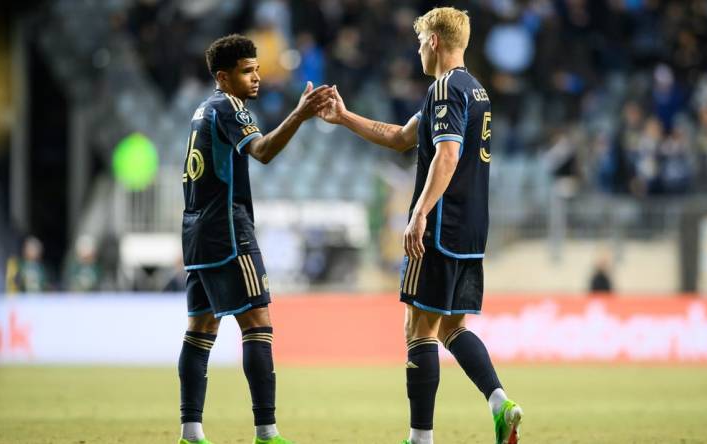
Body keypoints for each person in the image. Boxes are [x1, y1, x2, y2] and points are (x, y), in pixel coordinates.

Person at [319, 8, 522, 444]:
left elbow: (447, 154)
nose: (416, 50)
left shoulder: (445, 87)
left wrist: (419, 212)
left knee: (418, 329)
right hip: (470, 230)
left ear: (433, 41)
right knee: (451, 328)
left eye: (419, 41)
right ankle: (499, 402)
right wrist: (345, 116)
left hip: (441, 226)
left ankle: (420, 438)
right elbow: (401, 137)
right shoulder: (474, 90)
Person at [177, 34, 331, 444]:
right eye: (247, 72)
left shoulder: (202, 110)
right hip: (227, 230)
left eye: (257, 69)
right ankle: (267, 432)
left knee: (201, 327)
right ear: (223, 78)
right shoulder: (229, 107)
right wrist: (299, 115)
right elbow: (261, 151)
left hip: (195, 232)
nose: (257, 78)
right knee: (257, 322)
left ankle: (190, 432)